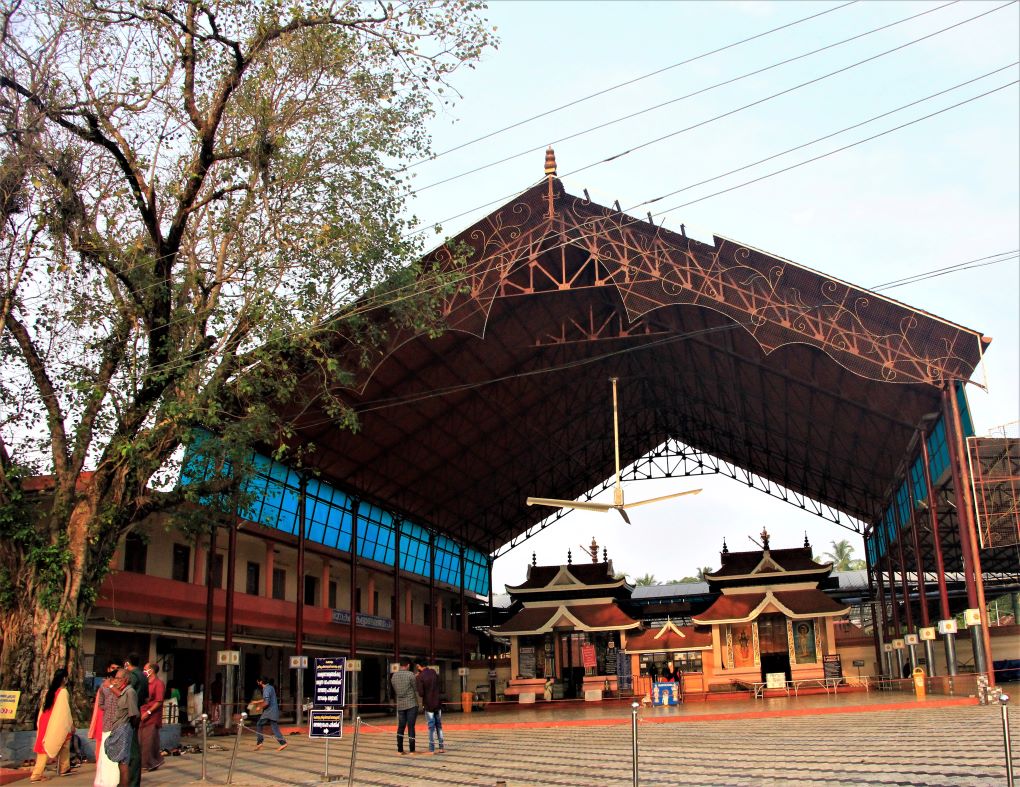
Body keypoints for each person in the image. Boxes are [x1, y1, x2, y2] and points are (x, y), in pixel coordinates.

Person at [31, 668, 75, 782]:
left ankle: (64, 768)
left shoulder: (48, 691)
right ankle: (36, 775)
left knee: (52, 743)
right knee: (57, 742)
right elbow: (65, 711)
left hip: (44, 721)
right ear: (64, 679)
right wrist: (70, 724)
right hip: (54, 722)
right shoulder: (63, 692)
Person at [100, 669, 139, 787]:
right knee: (121, 761)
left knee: (123, 762)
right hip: (119, 727)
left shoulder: (130, 692)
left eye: (118, 679)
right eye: (115, 678)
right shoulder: (124, 692)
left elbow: (134, 714)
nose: (115, 681)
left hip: (124, 728)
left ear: (125, 680)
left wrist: (129, 727)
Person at [88, 663, 122, 787]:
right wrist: (108, 708)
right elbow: (100, 703)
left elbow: (123, 698)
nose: (116, 680)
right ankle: (103, 781)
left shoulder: (121, 688)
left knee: (115, 755)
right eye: (115, 677)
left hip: (118, 725)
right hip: (107, 723)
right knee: (105, 753)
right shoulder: (103, 686)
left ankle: (114, 781)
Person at [122, 655, 147, 787]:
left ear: (127, 663)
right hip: (137, 711)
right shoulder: (144, 676)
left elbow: (127, 693)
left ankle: (131, 781)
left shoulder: (133, 676)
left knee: (132, 749)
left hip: (129, 713)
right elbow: (145, 697)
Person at [390, 657, 419, 755]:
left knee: (401, 727)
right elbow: (415, 688)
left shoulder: (394, 676)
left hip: (400, 705)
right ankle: (412, 750)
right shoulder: (411, 675)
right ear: (408, 665)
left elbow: (396, 689)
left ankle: (400, 750)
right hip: (411, 704)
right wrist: (415, 677)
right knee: (411, 727)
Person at [140, 663, 165, 771]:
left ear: (151, 670)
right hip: (142, 714)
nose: (143, 671)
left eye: (145, 669)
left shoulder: (158, 684)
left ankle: (152, 762)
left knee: (149, 741)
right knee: (141, 740)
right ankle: (147, 762)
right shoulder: (145, 683)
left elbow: (159, 701)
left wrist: (149, 712)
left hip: (152, 716)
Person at [415, 662, 444, 754]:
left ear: (418, 666)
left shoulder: (420, 677)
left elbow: (421, 693)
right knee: (439, 726)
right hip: (437, 703)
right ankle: (441, 747)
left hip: (428, 704)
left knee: (431, 727)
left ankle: (431, 749)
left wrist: (418, 679)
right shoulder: (434, 672)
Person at [251, 677, 286, 751]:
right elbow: (266, 699)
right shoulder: (270, 687)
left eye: (258, 682)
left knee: (259, 724)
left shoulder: (266, 689)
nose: (257, 683)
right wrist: (256, 702)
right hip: (273, 711)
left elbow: (266, 702)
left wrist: (259, 707)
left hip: (269, 712)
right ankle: (283, 743)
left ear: (261, 682)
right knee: (274, 727)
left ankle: (259, 742)